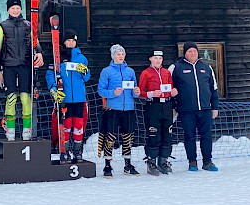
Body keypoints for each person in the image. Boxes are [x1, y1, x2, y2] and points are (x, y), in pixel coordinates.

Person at [0, 0, 44, 141]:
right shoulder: (2, 26)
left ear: (21, 9)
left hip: (25, 65)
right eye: (12, 8)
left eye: (17, 8)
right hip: (9, 66)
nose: (15, 10)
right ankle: (10, 130)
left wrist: (40, 53)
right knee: (11, 98)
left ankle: (26, 129)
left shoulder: (28, 25)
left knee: (25, 97)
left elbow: (35, 42)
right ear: (8, 9)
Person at [169, 41, 219, 172]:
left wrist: (215, 107)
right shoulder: (176, 67)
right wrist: (173, 107)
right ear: (184, 53)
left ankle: (207, 161)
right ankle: (192, 162)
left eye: (195, 51)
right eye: (190, 51)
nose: (193, 53)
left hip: (205, 109)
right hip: (186, 110)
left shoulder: (206, 67)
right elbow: (170, 89)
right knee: (189, 136)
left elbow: (214, 89)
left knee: (206, 136)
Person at [46, 29, 90, 163]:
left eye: (73, 41)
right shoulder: (57, 56)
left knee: (78, 124)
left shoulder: (81, 57)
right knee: (65, 125)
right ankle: (64, 150)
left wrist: (85, 71)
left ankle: (77, 151)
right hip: (64, 97)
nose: (70, 43)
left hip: (79, 97)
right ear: (64, 42)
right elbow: (50, 74)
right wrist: (54, 89)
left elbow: (87, 77)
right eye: (68, 41)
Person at [97, 44, 141, 178]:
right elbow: (101, 90)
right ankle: (107, 165)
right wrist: (112, 93)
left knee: (128, 137)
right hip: (112, 109)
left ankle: (128, 164)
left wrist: (136, 92)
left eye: (122, 54)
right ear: (113, 56)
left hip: (128, 108)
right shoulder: (107, 71)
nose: (121, 56)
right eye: (118, 54)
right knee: (110, 137)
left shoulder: (130, 71)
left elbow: (134, 90)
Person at [138, 49, 178, 175]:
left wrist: (173, 92)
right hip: (153, 105)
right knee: (154, 134)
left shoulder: (166, 72)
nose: (158, 61)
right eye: (155, 58)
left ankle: (163, 161)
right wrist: (151, 93)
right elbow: (140, 92)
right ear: (150, 59)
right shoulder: (146, 73)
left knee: (167, 133)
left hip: (166, 105)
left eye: (160, 58)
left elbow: (171, 87)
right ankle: (151, 162)